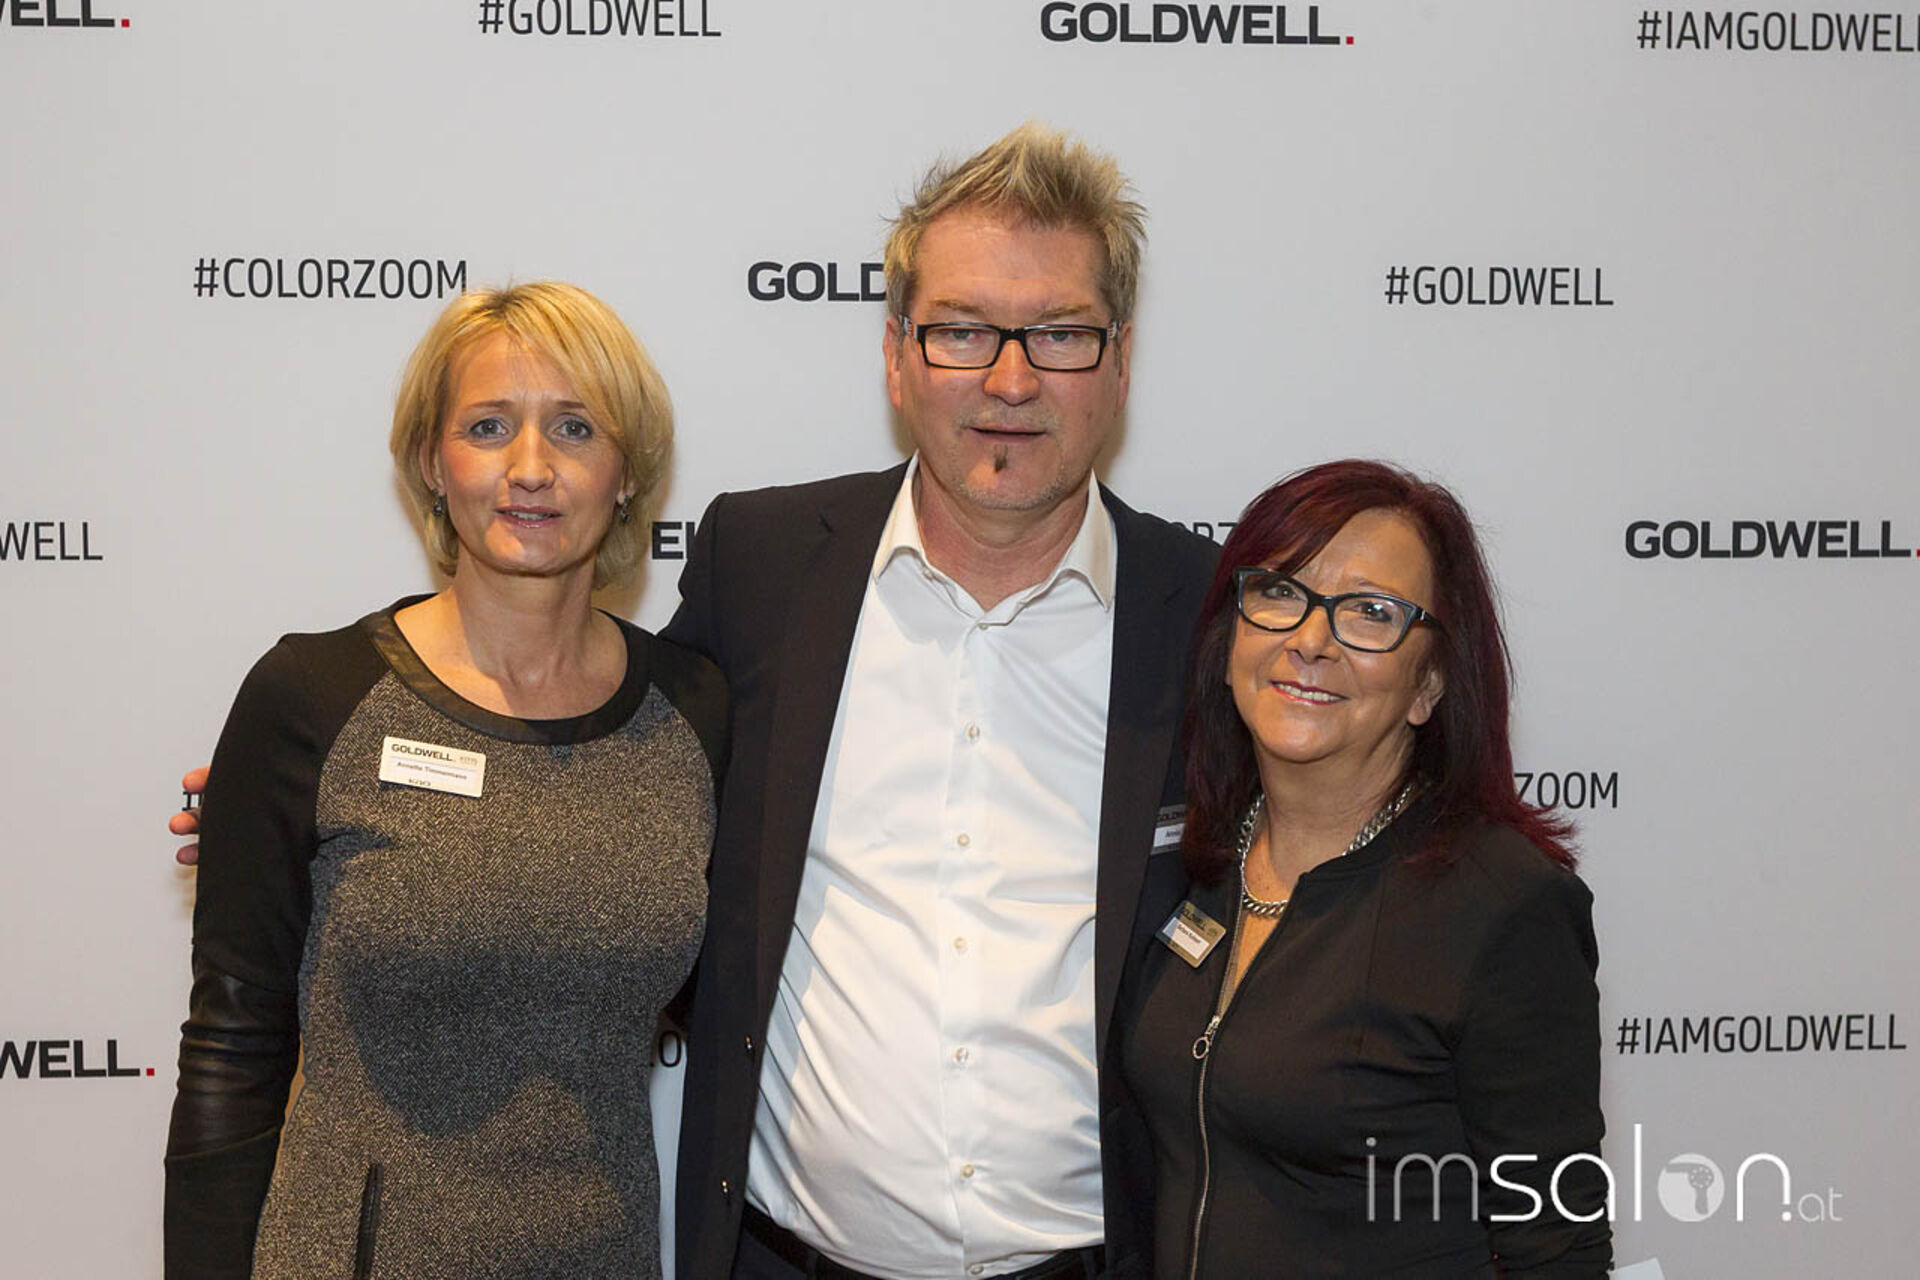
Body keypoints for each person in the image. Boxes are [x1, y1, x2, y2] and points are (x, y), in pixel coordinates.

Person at [173, 126, 1219, 1280]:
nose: (1009, 379)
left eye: (1060, 333)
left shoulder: (1216, 621)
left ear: (1121, 359)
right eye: (962, 329)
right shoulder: (765, 565)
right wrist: (291, 811)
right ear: (896, 355)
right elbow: (579, 767)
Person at [163, 281, 725, 1279]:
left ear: (628, 471)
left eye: (575, 427)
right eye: (488, 426)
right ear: (432, 460)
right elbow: (232, 1052)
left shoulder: (694, 710)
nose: (530, 468)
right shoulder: (313, 697)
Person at [1113, 460, 1610, 1277]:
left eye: (1372, 613)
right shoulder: (1197, 860)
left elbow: (1558, 1250)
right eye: (1281, 592)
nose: (1311, 640)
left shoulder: (1504, 907)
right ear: (1229, 642)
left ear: (1430, 683)